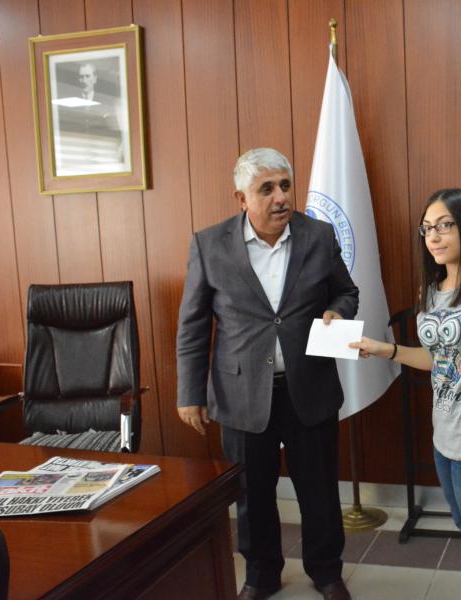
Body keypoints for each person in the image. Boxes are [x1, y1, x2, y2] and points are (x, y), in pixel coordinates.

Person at [176, 147, 358, 600]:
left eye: (285, 185)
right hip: (240, 392)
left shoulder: (318, 235)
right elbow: (193, 325)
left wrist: (338, 311)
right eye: (267, 189)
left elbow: (347, 291)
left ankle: (326, 570)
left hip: (308, 386)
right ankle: (261, 575)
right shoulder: (209, 245)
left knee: (318, 489)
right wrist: (189, 393)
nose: (281, 197)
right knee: (251, 492)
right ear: (242, 198)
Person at [350, 189, 461, 600]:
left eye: (445, 226)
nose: (434, 237)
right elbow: (437, 358)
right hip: (444, 434)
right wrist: (385, 349)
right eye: (427, 229)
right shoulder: (432, 289)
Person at [55, 62, 125, 172]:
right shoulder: (68, 99)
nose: (84, 80)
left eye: (87, 76)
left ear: (95, 79)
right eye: (81, 77)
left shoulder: (108, 101)